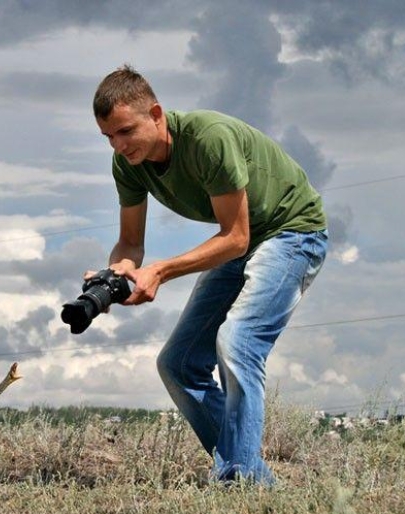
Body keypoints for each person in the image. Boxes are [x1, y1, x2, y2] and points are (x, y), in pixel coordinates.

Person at [90, 65, 328, 485]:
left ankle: (241, 484)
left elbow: (235, 238)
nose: (119, 145)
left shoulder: (208, 138)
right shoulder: (128, 164)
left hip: (292, 231)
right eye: (109, 136)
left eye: (126, 131)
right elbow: (130, 244)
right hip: (244, 238)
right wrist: (115, 275)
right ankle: (249, 478)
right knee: (178, 363)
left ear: (157, 114)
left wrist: (160, 271)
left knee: (238, 341)